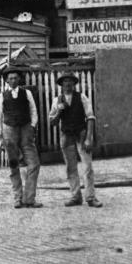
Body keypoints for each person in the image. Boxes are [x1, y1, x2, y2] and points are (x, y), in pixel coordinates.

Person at [49, 72, 103, 208]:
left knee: (87, 166)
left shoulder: (82, 97)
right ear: (61, 85)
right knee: (70, 167)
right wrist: (59, 111)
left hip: (81, 134)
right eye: (65, 81)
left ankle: (90, 197)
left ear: (74, 84)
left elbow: (90, 117)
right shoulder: (57, 100)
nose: (67, 84)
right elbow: (52, 122)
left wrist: (89, 138)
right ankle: (75, 196)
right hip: (66, 136)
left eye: (70, 81)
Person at [0, 66, 42, 209]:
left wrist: (33, 126)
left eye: (15, 78)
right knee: (13, 165)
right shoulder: (1, 96)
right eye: (10, 78)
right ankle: (17, 198)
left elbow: (33, 111)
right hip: (9, 131)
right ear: (6, 81)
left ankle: (29, 198)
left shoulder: (27, 93)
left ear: (19, 79)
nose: (13, 80)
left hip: (26, 130)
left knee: (34, 164)